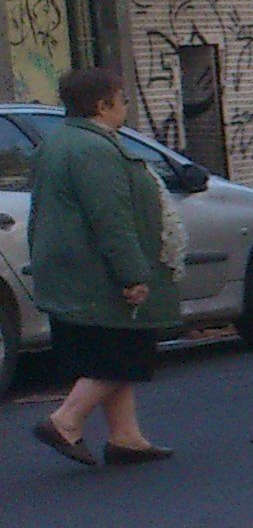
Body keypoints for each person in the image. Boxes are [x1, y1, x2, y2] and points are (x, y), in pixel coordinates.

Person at [29, 66, 182, 468]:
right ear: (103, 105)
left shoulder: (59, 142)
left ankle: (125, 438)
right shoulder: (95, 150)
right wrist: (133, 274)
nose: (126, 108)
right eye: (123, 100)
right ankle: (66, 421)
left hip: (70, 269)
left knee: (111, 347)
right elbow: (111, 218)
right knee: (121, 354)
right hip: (96, 272)